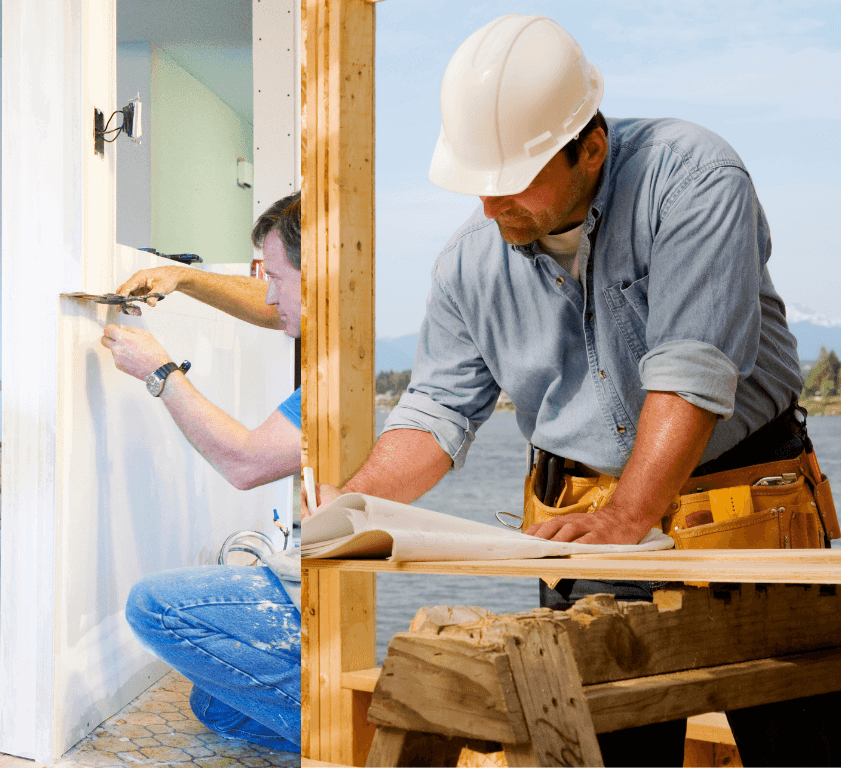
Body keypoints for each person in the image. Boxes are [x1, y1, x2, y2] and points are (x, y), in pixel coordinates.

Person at [315, 15, 837, 767]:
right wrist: (351, 508)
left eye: (510, 186)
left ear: (591, 148)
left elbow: (690, 371)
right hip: (585, 531)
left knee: (806, 750)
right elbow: (433, 415)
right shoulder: (468, 264)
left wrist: (630, 514)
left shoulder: (691, 178)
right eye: (478, 189)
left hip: (752, 518)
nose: (491, 211)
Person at [98, 192, 303, 752]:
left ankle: (356, 724)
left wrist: (161, 372)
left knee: (152, 606)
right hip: (321, 570)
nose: (268, 292)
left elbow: (245, 463)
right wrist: (180, 278)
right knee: (216, 703)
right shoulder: (337, 318)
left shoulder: (341, 373)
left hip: (335, 589)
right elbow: (276, 305)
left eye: (279, 277)